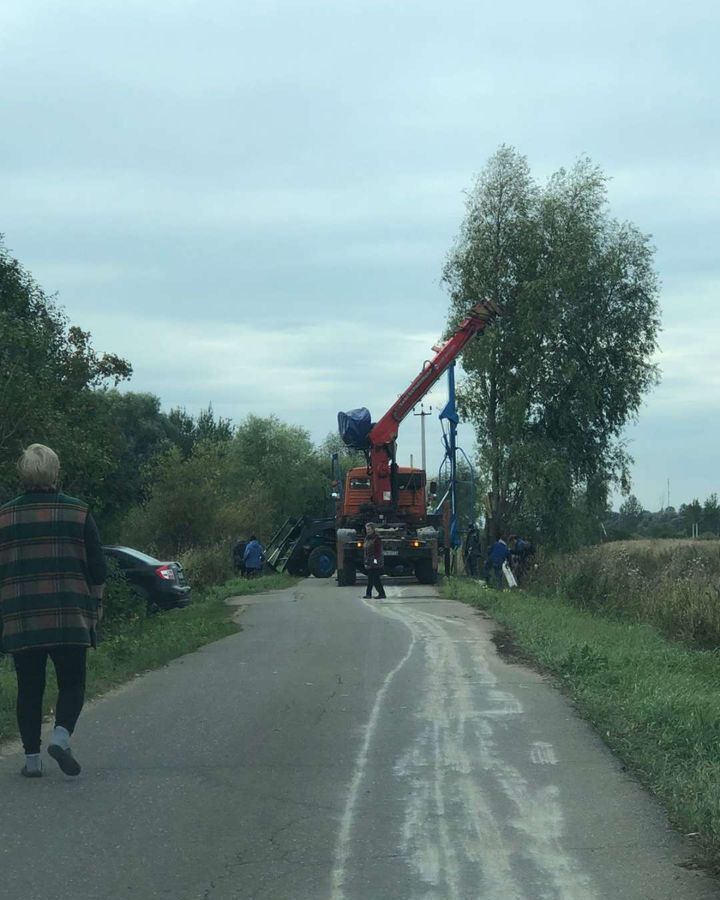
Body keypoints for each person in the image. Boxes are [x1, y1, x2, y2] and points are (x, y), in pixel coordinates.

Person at [0, 444, 106, 778]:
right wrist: (97, 603)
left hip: (22, 618)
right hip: (70, 616)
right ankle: (61, 736)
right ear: (55, 472)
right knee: (72, 683)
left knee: (29, 688)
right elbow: (98, 567)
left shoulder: (4, 517)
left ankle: (32, 761)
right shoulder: (78, 512)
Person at [363, 522, 386, 599]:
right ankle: (371, 594)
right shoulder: (367, 538)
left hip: (375, 561)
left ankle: (378, 594)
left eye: (369, 529)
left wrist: (375, 561)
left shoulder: (376, 539)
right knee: (372, 579)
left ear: (373, 530)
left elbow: (377, 552)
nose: (368, 531)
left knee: (374, 579)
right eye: (367, 529)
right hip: (369, 561)